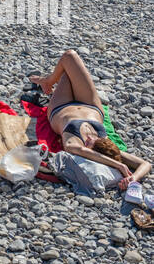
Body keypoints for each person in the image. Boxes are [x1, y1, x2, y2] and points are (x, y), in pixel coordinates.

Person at [29, 53, 151, 191]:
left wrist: (117, 166)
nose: (88, 139)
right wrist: (129, 173)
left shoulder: (74, 142)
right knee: (70, 56)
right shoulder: (109, 147)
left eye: (88, 144)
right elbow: (145, 164)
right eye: (92, 139)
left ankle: (48, 82)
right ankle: (48, 81)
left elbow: (78, 149)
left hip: (61, 106)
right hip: (90, 104)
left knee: (66, 72)